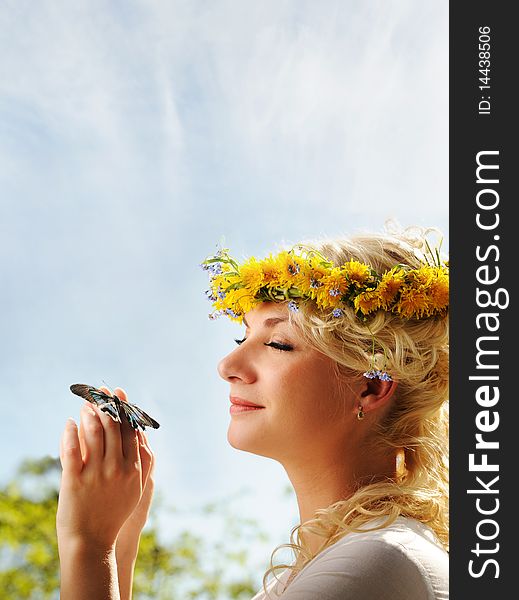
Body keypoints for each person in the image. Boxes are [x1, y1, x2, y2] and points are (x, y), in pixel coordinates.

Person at [57, 224, 449, 599]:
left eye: (278, 343)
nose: (228, 365)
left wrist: (89, 546)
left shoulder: (378, 562)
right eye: (242, 336)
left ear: (371, 386)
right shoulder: (344, 561)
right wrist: (121, 548)